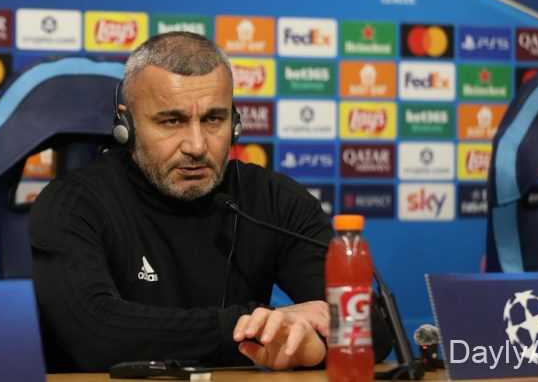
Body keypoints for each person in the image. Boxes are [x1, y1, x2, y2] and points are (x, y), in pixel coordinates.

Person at [30, 31, 392, 372]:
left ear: (235, 123)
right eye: (171, 121)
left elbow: (372, 328)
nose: (197, 146)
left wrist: (314, 346)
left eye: (213, 119)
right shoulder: (73, 203)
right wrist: (253, 326)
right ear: (127, 126)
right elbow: (95, 333)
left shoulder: (271, 200)